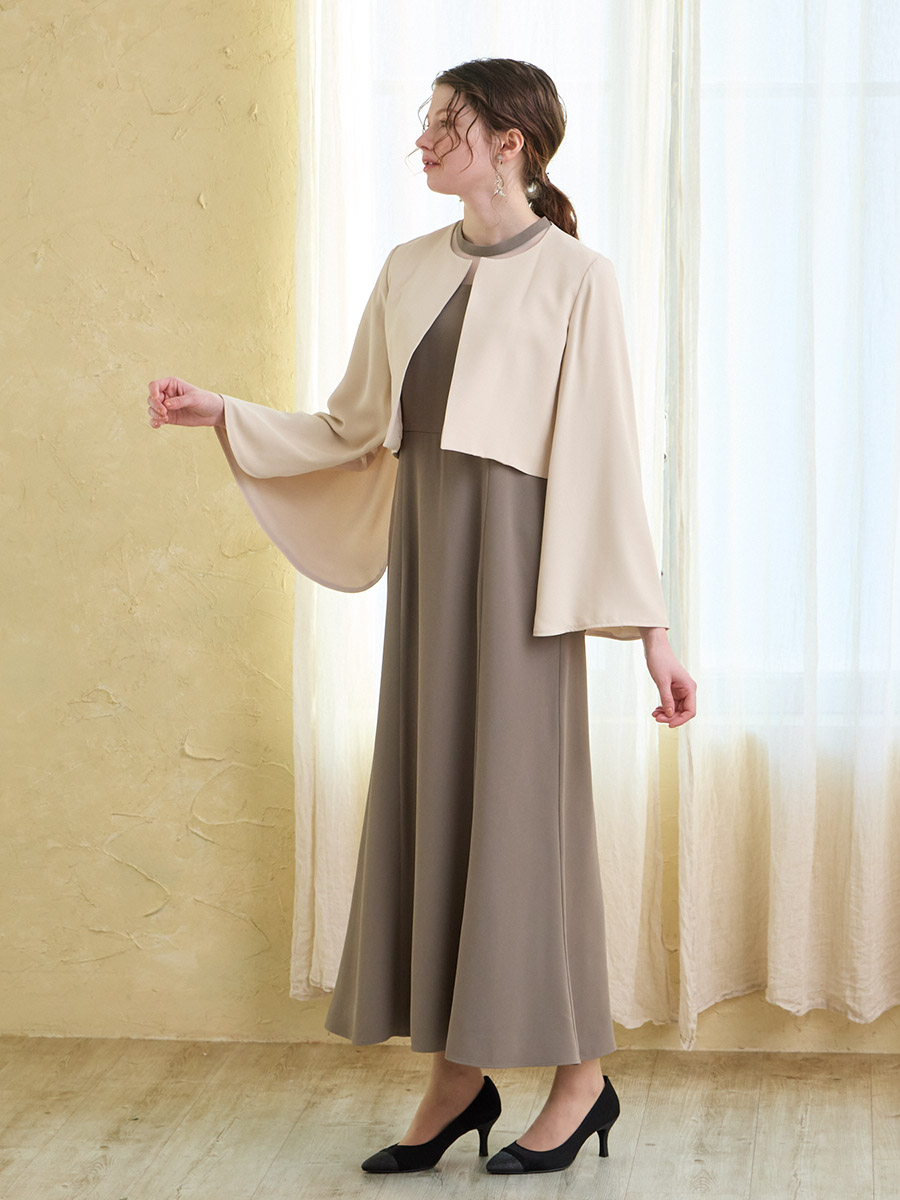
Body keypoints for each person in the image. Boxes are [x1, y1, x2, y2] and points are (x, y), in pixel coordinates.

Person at [146, 57, 697, 1176]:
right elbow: (353, 425)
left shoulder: (579, 278)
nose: (426, 141)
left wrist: (654, 633)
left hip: (525, 575)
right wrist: (224, 413)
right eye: (427, 121)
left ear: (511, 143)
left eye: (450, 123)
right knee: (440, 807)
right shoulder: (407, 269)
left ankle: (581, 1078)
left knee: (526, 821)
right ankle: (458, 1077)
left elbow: (605, 458)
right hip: (432, 562)